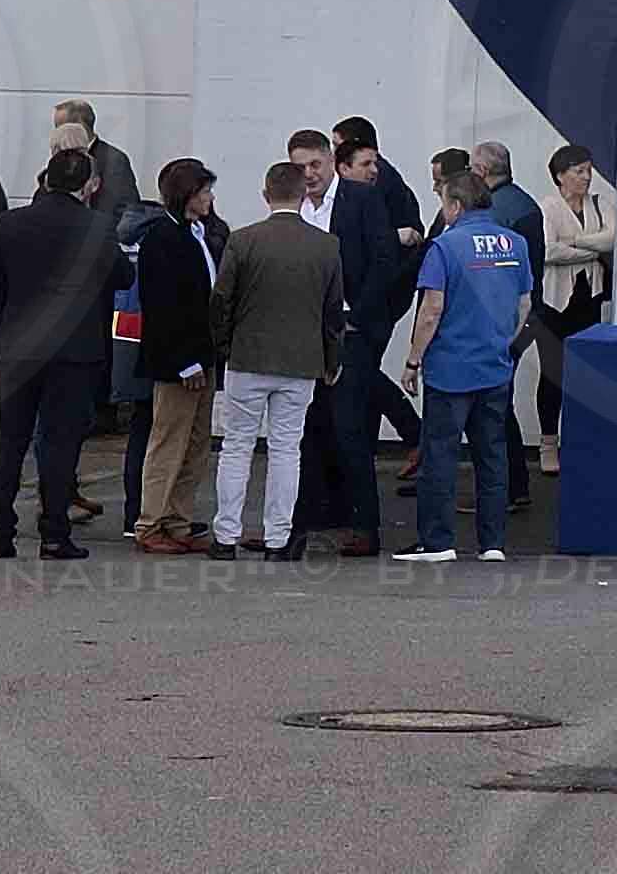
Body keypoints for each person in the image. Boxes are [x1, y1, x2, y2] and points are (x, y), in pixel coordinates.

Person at [0, 145, 117, 566]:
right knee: (58, 444)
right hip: (73, 352)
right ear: (88, 185)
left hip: (19, 348)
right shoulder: (97, 227)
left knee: (8, 443)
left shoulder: (11, 223)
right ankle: (53, 533)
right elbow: (122, 275)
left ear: (46, 179)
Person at [405, 162, 539, 565]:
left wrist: (413, 360)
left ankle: (438, 542)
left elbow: (431, 309)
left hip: (450, 369)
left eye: (444, 202)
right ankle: (492, 543)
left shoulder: (445, 246)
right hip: (496, 366)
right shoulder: (515, 244)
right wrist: (502, 343)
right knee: (492, 458)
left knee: (441, 457)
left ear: (458, 205)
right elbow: (525, 304)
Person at [209, 158, 341, 555]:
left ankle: (226, 535)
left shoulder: (243, 240)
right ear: (304, 196)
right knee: (287, 449)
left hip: (248, 357)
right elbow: (332, 312)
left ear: (266, 195)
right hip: (301, 362)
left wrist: (224, 346)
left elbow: (221, 300)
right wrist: (331, 360)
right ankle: (278, 538)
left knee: (236, 447)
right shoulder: (326, 245)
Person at [322, 126, 421, 555]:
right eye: (368, 164)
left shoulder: (375, 191)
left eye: (371, 162)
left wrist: (356, 313)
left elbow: (386, 256)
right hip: (359, 316)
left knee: (356, 389)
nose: (373, 169)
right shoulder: (344, 196)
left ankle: (412, 432)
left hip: (365, 317)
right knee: (355, 394)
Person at [120, 159, 227, 555]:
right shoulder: (163, 239)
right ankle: (151, 522)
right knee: (168, 441)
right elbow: (165, 306)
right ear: (187, 195)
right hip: (180, 361)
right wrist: (186, 361)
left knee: (196, 443)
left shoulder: (198, 233)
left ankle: (178, 519)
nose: (210, 199)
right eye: (204, 192)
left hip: (204, 354)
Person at [526, 144, 617, 466]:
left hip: (590, 300)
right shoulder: (547, 207)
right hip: (554, 304)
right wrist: (590, 251)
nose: (586, 177)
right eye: (578, 171)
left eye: (588, 170)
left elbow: (613, 239)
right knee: (552, 373)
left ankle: (581, 441)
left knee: (587, 372)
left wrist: (576, 242)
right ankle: (548, 443)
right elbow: (549, 251)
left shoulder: (600, 203)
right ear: (560, 176)